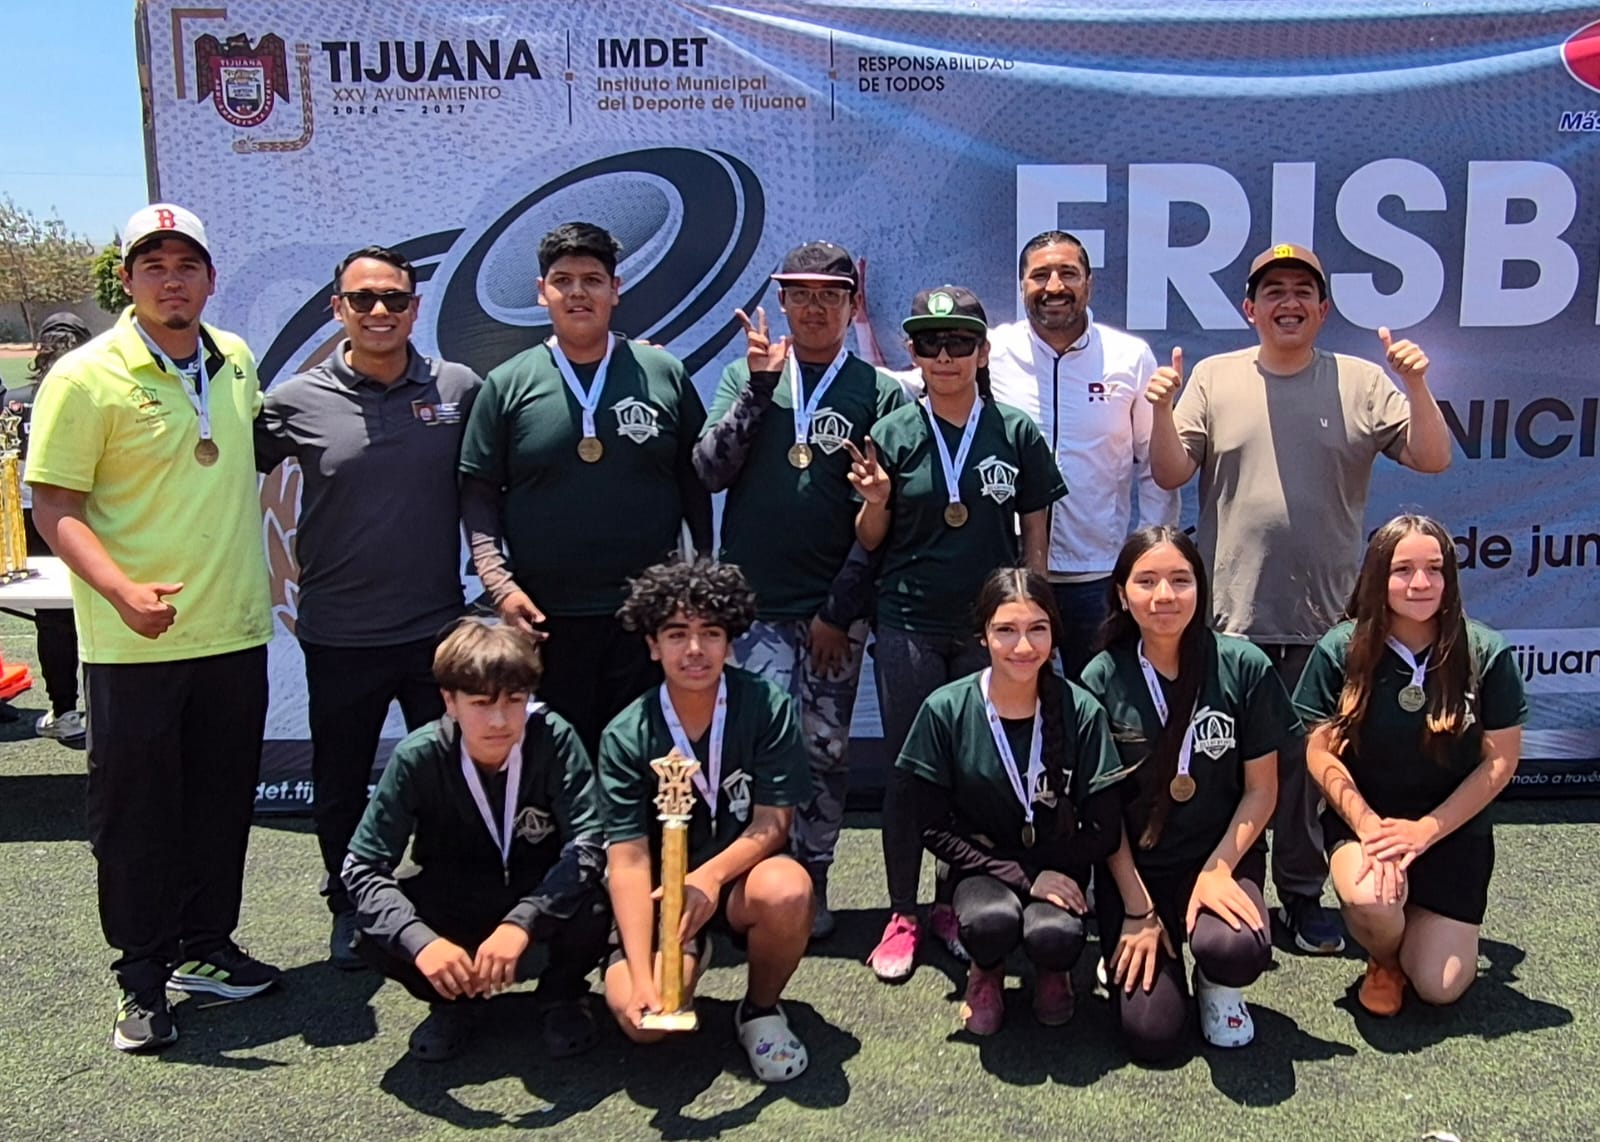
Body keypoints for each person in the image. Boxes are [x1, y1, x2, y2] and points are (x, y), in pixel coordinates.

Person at [1145, 242, 1453, 956]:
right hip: (1230, 620)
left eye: (1302, 291)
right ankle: (1229, 883)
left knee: (1309, 773)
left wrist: (1416, 385)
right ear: (1249, 308)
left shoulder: (1361, 381)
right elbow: (1169, 470)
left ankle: (1303, 896)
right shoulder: (1214, 378)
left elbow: (1433, 457)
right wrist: (1160, 410)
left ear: (1323, 308)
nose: (1288, 302)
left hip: (1328, 622)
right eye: (1273, 291)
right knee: (1227, 765)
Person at [26, 204, 278, 1053]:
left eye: (187, 266)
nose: (173, 281)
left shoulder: (234, 357)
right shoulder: (83, 376)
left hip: (232, 630)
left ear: (210, 278)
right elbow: (53, 507)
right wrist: (121, 591)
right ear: (127, 281)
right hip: (133, 642)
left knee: (219, 805)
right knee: (135, 820)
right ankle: (140, 978)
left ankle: (206, 948)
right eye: (154, 266)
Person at [254, 245, 482, 969]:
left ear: (415, 307)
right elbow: (211, 472)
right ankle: (351, 903)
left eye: (394, 298)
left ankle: (446, 899)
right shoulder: (292, 402)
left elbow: (497, 480)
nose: (379, 311)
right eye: (362, 299)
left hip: (436, 633)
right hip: (339, 633)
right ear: (338, 309)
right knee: (341, 784)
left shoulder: (459, 388)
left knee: (451, 777)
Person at [847, 284, 1067, 982]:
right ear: (911, 351)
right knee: (910, 775)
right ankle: (902, 912)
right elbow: (870, 539)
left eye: (960, 342)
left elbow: (1035, 532)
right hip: (909, 622)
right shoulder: (892, 432)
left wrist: (1034, 610)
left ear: (982, 351)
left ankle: (953, 903)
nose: (945, 356)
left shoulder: (1015, 431)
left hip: (988, 634)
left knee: (976, 774)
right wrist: (876, 502)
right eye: (930, 343)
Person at [694, 240, 906, 938]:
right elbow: (710, 470)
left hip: (832, 612)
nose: (815, 307)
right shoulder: (746, 375)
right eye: (801, 294)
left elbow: (883, 514)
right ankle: (746, 882)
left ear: (851, 304)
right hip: (752, 607)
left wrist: (838, 611)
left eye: (830, 295)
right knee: (751, 750)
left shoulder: (877, 390)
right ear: (782, 301)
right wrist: (758, 389)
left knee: (825, 751)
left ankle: (810, 880)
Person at [461, 222, 712, 754]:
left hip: (647, 616)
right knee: (558, 764)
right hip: (544, 618)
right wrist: (499, 585)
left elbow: (695, 485)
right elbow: (479, 492)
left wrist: (698, 587)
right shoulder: (508, 383)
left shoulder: (662, 373)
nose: (578, 293)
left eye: (593, 280)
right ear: (541, 291)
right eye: (563, 280)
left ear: (615, 289)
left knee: (644, 763)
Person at [342, 618, 609, 1061]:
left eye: (515, 700)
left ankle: (562, 995)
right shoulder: (418, 755)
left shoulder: (554, 737)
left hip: (538, 890)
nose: (499, 720)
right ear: (450, 700)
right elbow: (363, 867)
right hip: (456, 891)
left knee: (597, 899)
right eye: (481, 703)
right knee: (374, 929)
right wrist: (420, 941)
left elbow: (588, 844)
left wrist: (522, 921)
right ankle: (455, 1001)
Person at [1294, 514, 1526, 1017]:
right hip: (1370, 829)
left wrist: (1425, 831)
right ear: (1378, 575)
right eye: (1403, 570)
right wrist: (1367, 825)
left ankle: (1420, 926)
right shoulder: (1341, 648)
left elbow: (1502, 759)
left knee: (1440, 986)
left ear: (1450, 578)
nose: (1420, 583)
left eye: (1434, 569)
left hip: (1451, 834)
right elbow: (1318, 750)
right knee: (1370, 900)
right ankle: (1383, 959)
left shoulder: (1486, 651)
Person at [1081, 527, 1297, 1058]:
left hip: (1222, 854)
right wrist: (1138, 908)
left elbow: (1262, 791)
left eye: (1180, 580)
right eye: (1146, 581)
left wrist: (1218, 869)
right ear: (1122, 595)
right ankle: (1148, 952)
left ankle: (1217, 983)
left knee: (1236, 948)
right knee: (1153, 1035)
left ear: (1201, 588)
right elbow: (1103, 815)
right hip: (1137, 871)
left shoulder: (1243, 666)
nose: (1164, 595)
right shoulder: (1100, 678)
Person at [596, 559, 814, 1083]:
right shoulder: (626, 733)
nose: (694, 649)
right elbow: (627, 861)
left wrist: (709, 878)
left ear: (729, 641)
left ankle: (759, 1010)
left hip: (736, 884)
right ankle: (678, 957)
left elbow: (773, 822)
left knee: (788, 889)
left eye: (710, 633)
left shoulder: (766, 705)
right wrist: (643, 973)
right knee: (645, 1026)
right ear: (653, 645)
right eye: (677, 634)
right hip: (660, 896)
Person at [894, 567, 1127, 1034]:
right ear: (983, 636)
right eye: (1005, 630)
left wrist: (1049, 869)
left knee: (1055, 934)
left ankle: (1054, 968)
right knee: (990, 922)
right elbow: (931, 825)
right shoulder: (946, 708)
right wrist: (1024, 875)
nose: (1022, 646)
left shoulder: (1082, 710)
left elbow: (1105, 830)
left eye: (1037, 629)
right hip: (981, 867)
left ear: (1054, 635)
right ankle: (986, 970)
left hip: (1061, 865)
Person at [988, 231, 1179, 676]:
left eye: (1068, 274)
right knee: (1015, 703)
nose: (1054, 286)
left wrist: (1148, 554)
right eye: (1040, 275)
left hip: (1098, 576)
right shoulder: (991, 353)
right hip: (1010, 571)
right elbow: (917, 385)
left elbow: (1154, 467)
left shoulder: (1129, 357)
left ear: (1089, 284)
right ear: (1021, 286)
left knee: (1098, 702)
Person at [5, 311, 92, 744]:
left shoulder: (14, 401)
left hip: (21, 522)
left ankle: (65, 709)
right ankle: (103, 708)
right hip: (85, 514)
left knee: (51, 618)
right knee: (97, 611)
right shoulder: (92, 394)